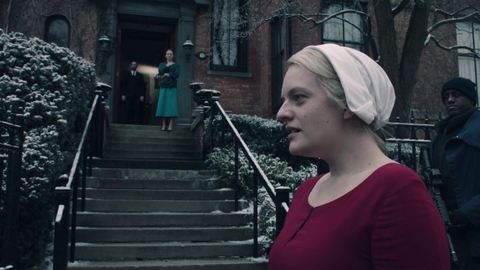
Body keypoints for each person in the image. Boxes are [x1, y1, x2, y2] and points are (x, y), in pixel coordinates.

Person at [269, 44, 450, 269]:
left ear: (348, 103)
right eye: (284, 99)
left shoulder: (396, 191)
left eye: (298, 97)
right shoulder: (307, 191)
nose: (281, 113)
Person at [429, 77, 480, 270]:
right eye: (446, 96)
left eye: (456, 95)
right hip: (448, 230)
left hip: (472, 229)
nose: (450, 100)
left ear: (471, 100)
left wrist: (466, 214)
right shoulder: (440, 137)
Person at [156, 49, 180, 131]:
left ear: (173, 56)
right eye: (168, 54)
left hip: (172, 86)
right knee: (163, 105)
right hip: (163, 86)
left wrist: (167, 74)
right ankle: (163, 124)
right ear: (165, 56)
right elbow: (160, 71)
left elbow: (177, 74)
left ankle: (170, 125)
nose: (169, 55)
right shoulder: (162, 64)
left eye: (170, 54)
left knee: (171, 106)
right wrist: (167, 66)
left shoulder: (176, 65)